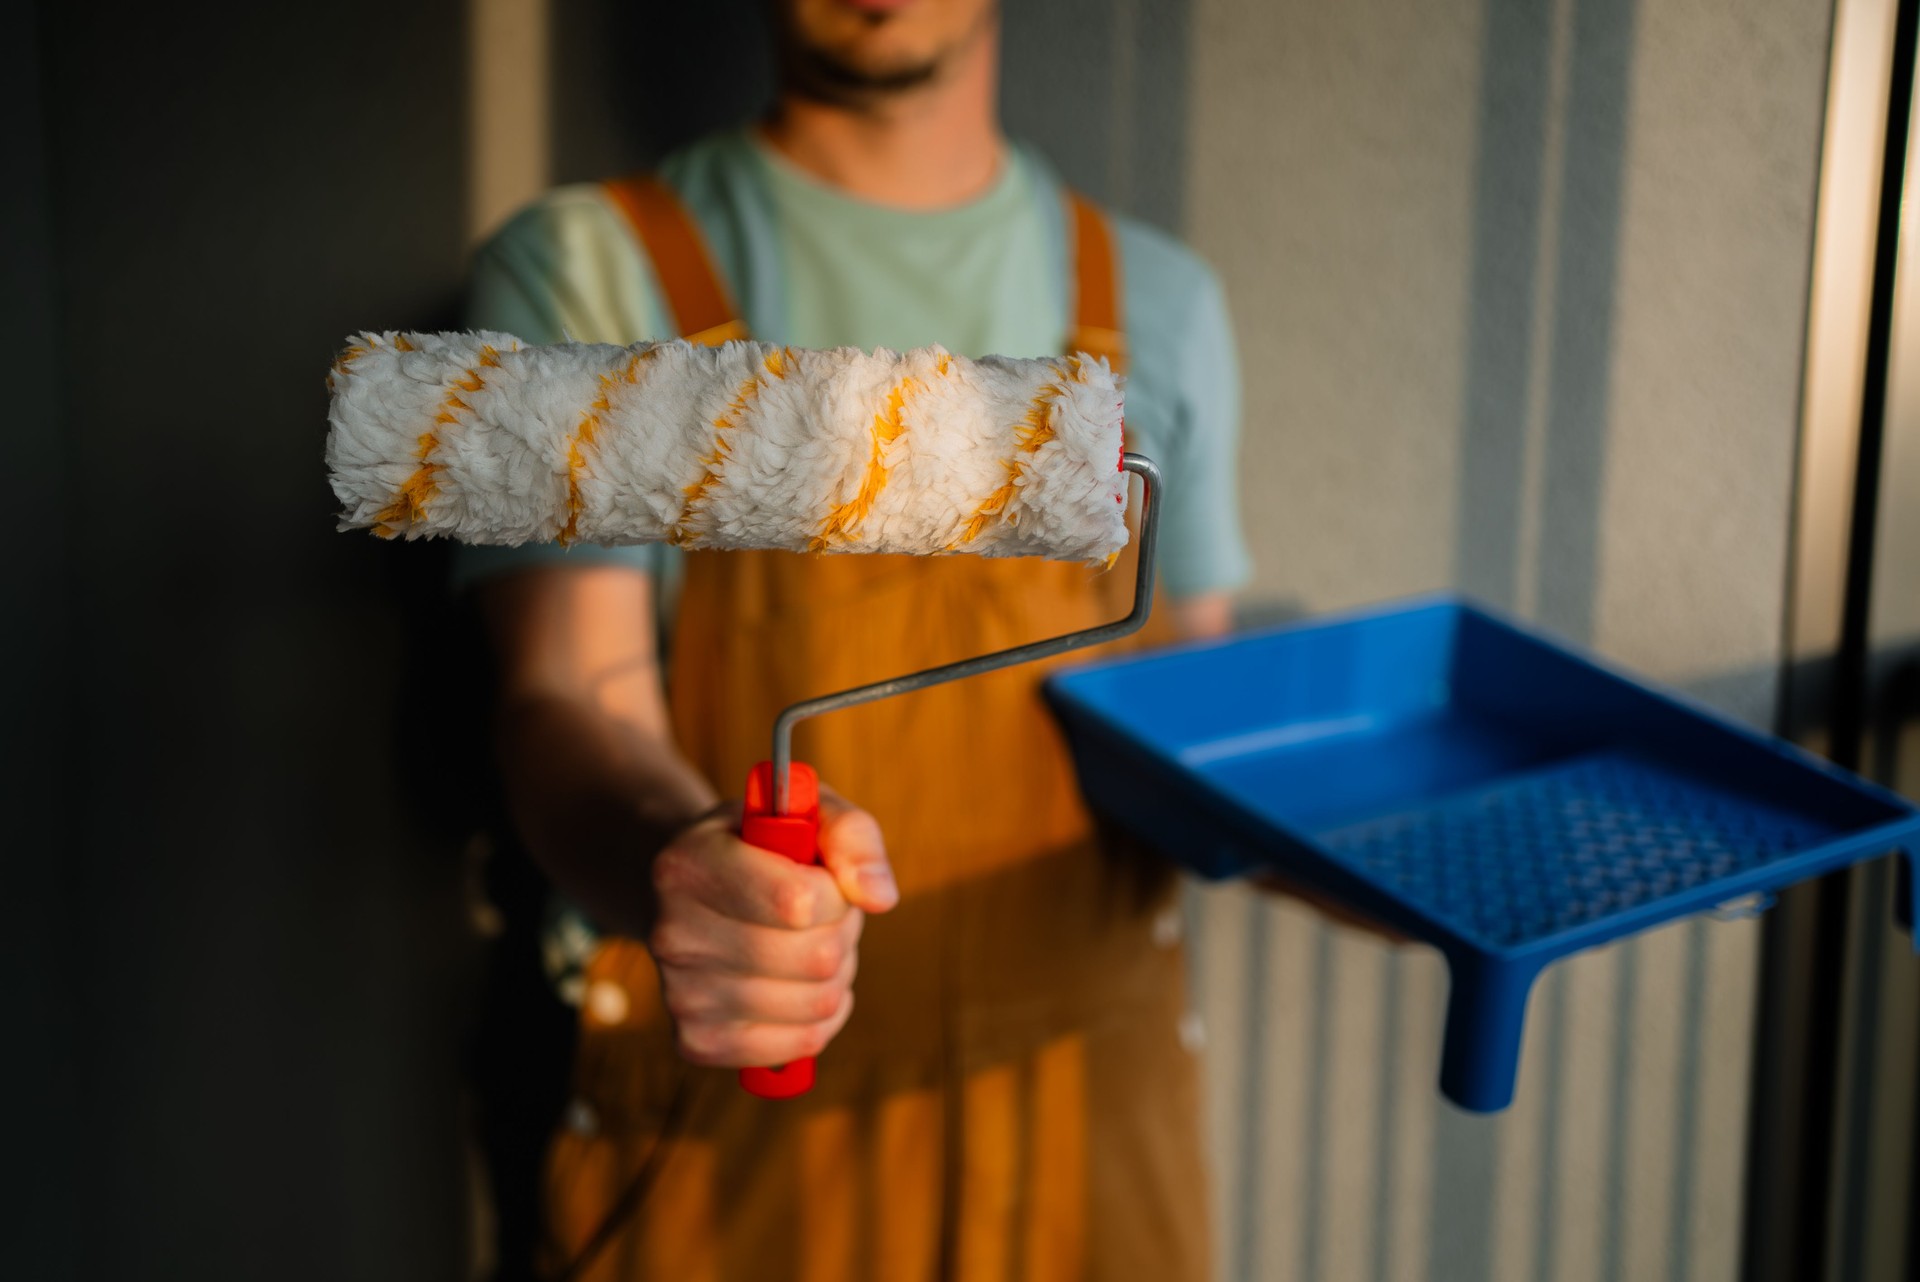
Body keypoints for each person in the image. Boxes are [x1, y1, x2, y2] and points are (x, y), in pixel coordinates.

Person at [460, 1, 1250, 1277]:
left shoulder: (1160, 302)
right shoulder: (596, 270)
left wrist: (1391, 842)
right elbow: (564, 697)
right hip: (736, 1154)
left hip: (1089, 1140)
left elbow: (1201, 723)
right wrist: (692, 864)